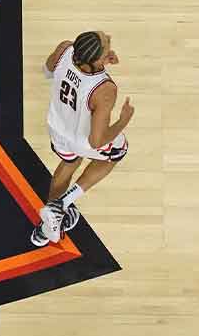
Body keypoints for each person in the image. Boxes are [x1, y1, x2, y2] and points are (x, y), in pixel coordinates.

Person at [33, 30, 135, 246]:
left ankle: (49, 225)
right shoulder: (104, 90)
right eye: (106, 44)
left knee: (70, 162)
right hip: (81, 138)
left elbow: (47, 70)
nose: (108, 36)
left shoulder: (65, 49)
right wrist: (123, 121)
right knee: (117, 151)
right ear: (96, 59)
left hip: (57, 125)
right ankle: (62, 203)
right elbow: (96, 142)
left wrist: (97, 63)